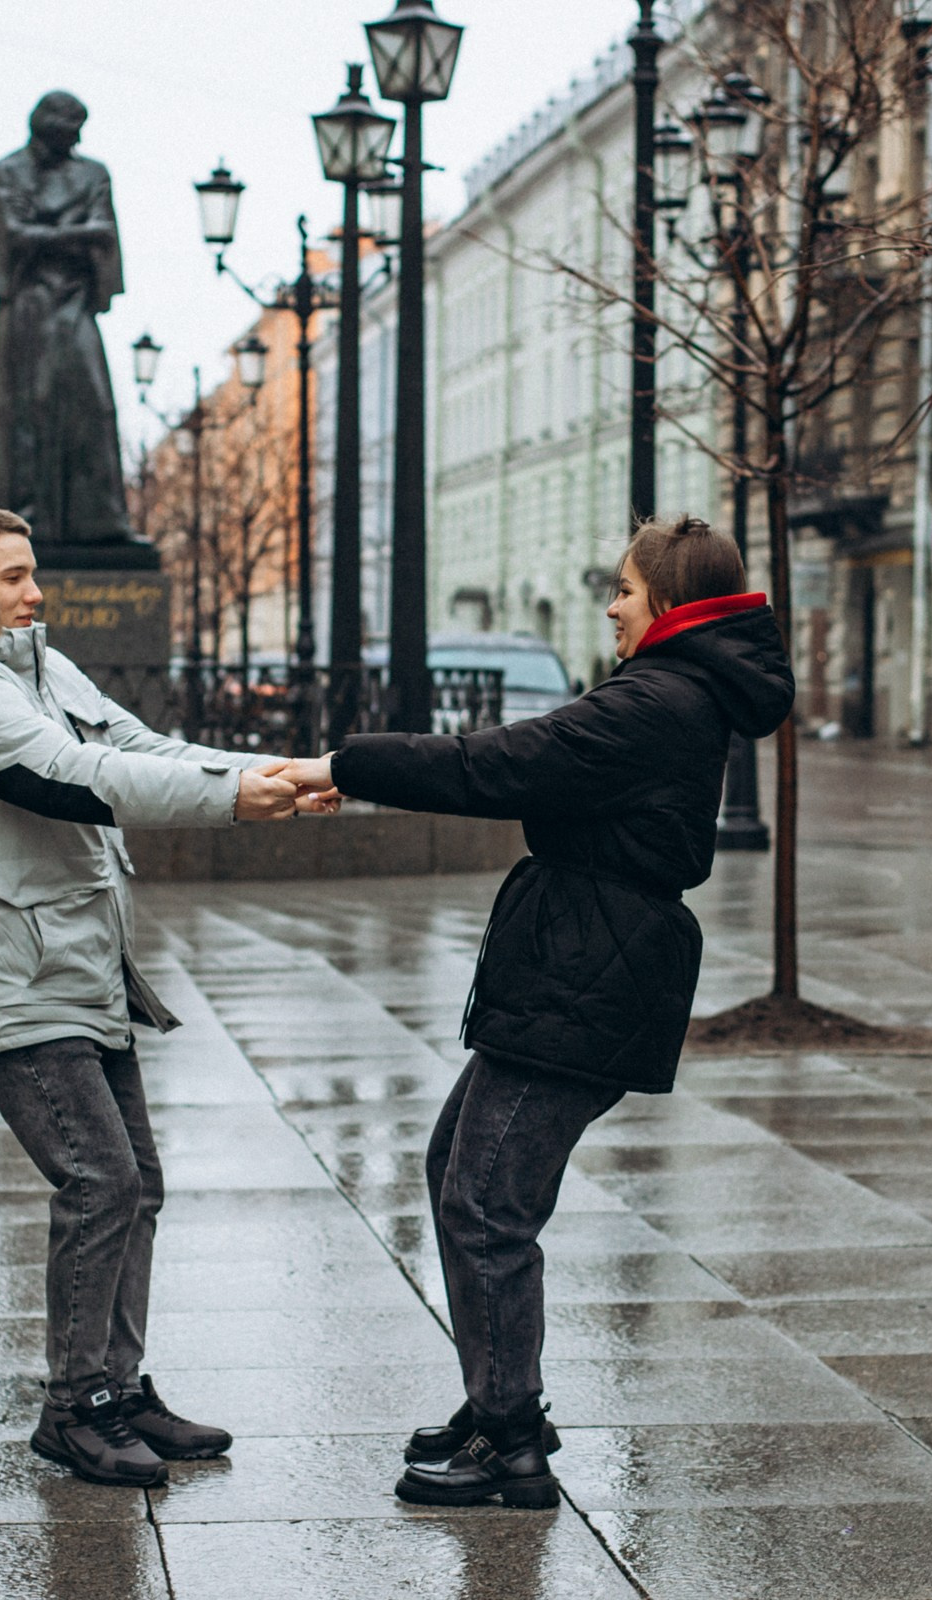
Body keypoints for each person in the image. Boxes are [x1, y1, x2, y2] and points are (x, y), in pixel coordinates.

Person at [277, 516, 793, 1508]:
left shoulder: (657, 699)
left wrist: (341, 765)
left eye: (626, 589)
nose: (611, 606)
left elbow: (495, 762)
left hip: (591, 966)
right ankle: (496, 1397)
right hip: (581, 958)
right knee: (458, 1170)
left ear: (671, 603)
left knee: (486, 1200)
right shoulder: (669, 690)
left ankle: (510, 1442)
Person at [0, 504, 306, 1489]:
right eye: (14, 576)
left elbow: (143, 745)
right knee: (100, 1181)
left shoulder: (35, 666)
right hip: (12, 975)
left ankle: (119, 1386)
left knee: (134, 1179)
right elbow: (71, 777)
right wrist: (234, 798)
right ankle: (74, 1408)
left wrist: (280, 772)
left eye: (33, 572)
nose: (36, 591)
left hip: (77, 964)